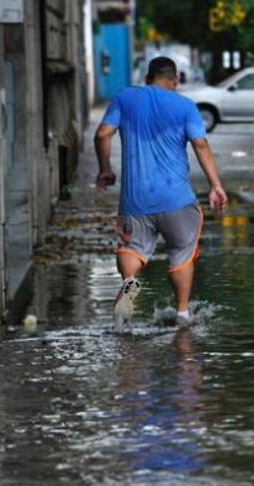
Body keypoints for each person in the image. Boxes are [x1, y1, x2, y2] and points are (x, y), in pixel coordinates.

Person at [94, 56, 227, 332]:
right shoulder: (185, 106)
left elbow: (102, 134)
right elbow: (200, 144)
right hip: (176, 200)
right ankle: (181, 313)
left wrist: (105, 168)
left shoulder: (126, 98)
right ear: (175, 81)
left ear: (147, 77)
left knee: (132, 249)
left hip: (134, 201)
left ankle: (128, 288)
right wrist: (215, 185)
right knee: (182, 254)